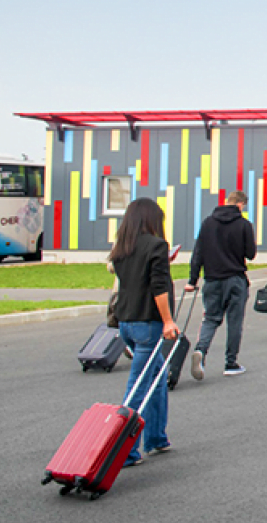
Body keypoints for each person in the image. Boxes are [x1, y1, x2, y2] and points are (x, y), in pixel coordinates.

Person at [109, 198, 179, 468]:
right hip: (147, 323)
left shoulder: (121, 249)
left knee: (157, 378)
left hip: (126, 321)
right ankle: (124, 451)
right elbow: (158, 287)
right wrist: (168, 321)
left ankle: (156, 437)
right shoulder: (156, 246)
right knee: (138, 386)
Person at [185, 190, 257, 379]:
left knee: (210, 318)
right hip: (235, 279)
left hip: (212, 279)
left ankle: (201, 350)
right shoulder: (244, 225)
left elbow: (198, 254)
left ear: (227, 202)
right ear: (241, 204)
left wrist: (192, 280)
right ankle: (230, 363)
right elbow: (251, 253)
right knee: (234, 321)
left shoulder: (208, 223)